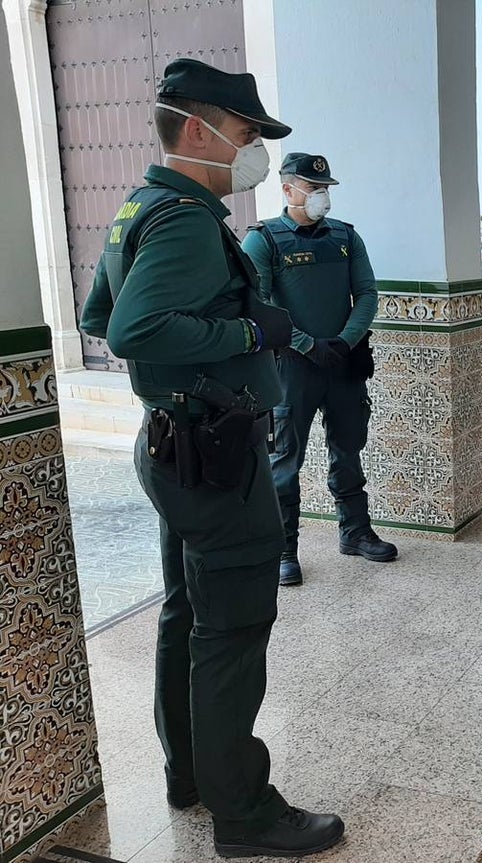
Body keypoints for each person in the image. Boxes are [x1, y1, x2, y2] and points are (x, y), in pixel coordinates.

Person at [79, 58, 344, 857]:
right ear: (196, 130)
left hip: (171, 444)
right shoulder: (188, 218)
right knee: (233, 625)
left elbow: (99, 311)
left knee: (184, 613)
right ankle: (244, 811)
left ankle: (188, 773)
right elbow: (129, 332)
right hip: (216, 455)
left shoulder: (141, 206)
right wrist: (242, 333)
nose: (253, 151)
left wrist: (211, 322)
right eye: (244, 134)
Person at [241, 153, 394, 587]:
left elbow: (366, 293)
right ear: (287, 190)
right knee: (285, 459)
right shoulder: (264, 241)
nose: (321, 196)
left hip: (343, 361)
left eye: (325, 188)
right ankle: (284, 550)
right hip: (291, 367)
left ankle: (355, 531)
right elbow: (261, 305)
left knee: (348, 447)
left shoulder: (345, 237)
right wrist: (306, 344)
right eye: (312, 188)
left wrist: (344, 341)